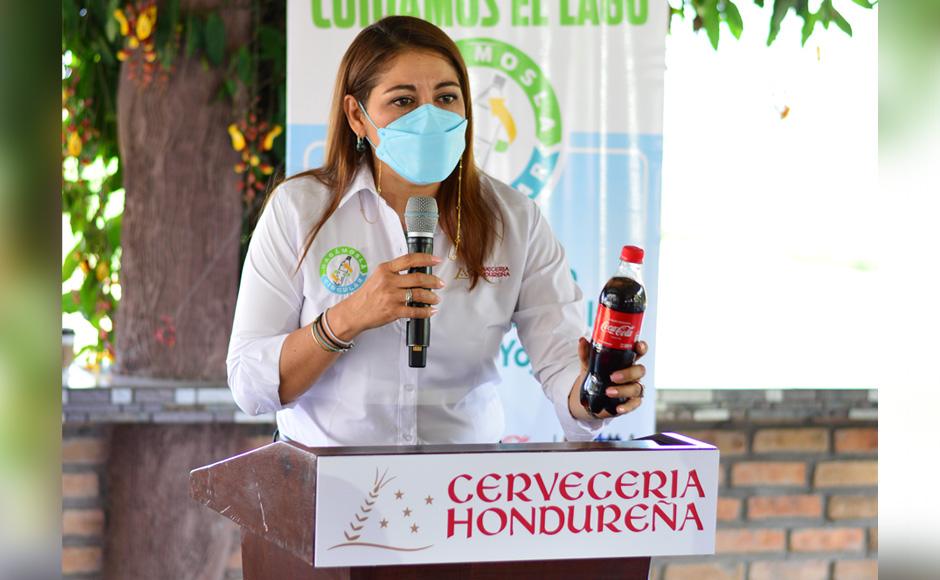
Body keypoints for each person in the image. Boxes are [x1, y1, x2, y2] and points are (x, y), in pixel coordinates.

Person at [226, 16, 647, 447]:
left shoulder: (514, 219)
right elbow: (249, 384)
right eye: (404, 101)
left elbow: (562, 366)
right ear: (357, 115)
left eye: (447, 97)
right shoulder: (301, 210)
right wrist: (346, 319)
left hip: (463, 496)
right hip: (328, 487)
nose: (430, 117)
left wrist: (597, 391)